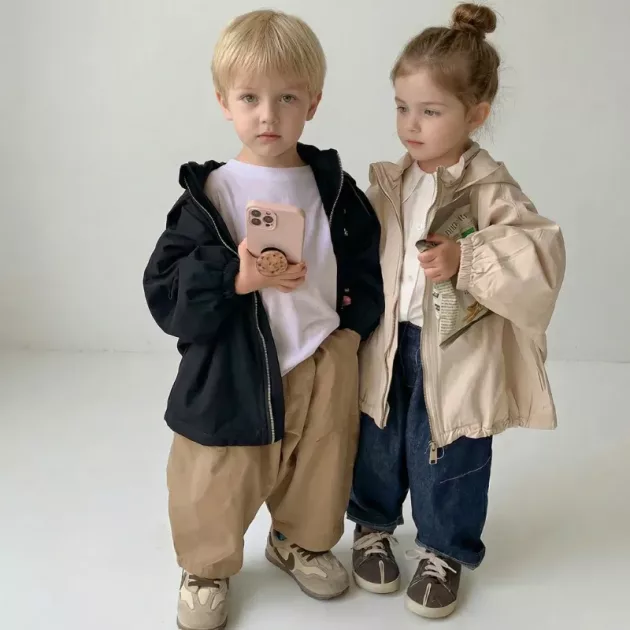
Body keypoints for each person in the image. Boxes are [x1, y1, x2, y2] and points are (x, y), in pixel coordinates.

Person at [142, 9, 384, 630]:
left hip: (320, 355)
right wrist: (236, 278)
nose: (268, 115)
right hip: (235, 364)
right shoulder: (212, 195)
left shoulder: (333, 189)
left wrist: (350, 333)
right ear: (223, 101)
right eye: (249, 97)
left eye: (287, 98)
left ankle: (298, 541)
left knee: (321, 462)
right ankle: (205, 567)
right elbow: (165, 291)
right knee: (216, 469)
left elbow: (365, 263)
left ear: (314, 103)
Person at [348, 2, 566, 620]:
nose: (411, 125)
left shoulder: (491, 190)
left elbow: (538, 258)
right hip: (388, 341)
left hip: (456, 351)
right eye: (402, 107)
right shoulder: (389, 183)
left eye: (430, 111)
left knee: (450, 449)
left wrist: (465, 260)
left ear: (476, 114)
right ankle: (372, 525)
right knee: (377, 434)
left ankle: (444, 550)